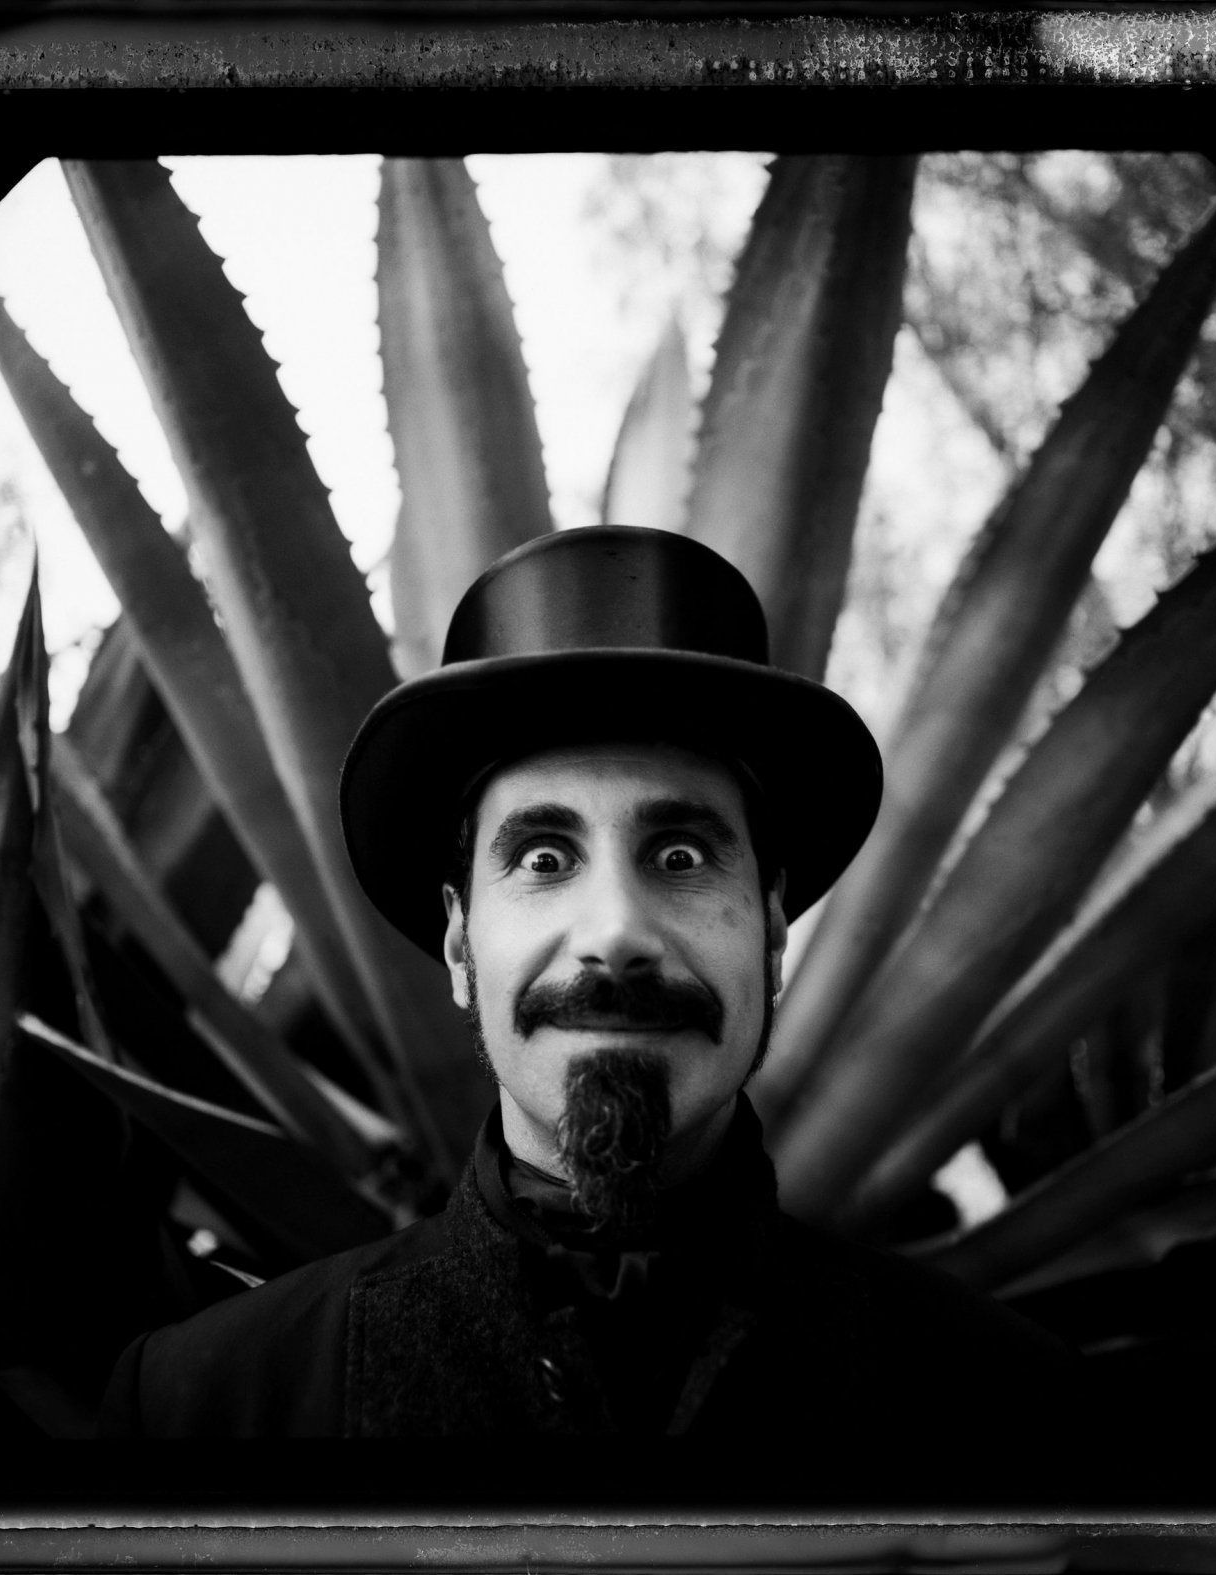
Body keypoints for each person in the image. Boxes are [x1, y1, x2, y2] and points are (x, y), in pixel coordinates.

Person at [99, 526, 1075, 1450]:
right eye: (544, 857)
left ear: (772, 928)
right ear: (458, 943)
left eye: (682, 853)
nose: (615, 932)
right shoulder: (210, 1407)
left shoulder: (1014, 1409)